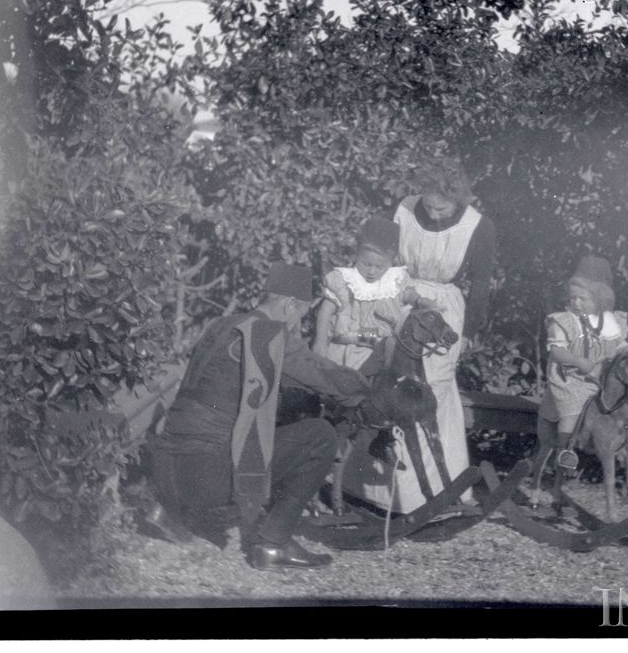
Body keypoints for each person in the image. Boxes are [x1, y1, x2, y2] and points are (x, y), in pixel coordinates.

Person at [143, 262, 371, 570]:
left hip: (165, 471)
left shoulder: (222, 325)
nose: (297, 324)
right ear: (290, 305)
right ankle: (273, 543)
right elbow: (329, 379)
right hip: (206, 479)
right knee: (320, 435)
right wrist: (369, 390)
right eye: (300, 314)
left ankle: (172, 513)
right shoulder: (269, 333)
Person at [344, 157, 497, 511]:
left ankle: (435, 491)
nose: (434, 213)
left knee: (431, 390)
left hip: (443, 310)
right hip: (400, 297)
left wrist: (469, 332)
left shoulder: (478, 226)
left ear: (458, 199)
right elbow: (379, 255)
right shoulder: (404, 210)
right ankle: (375, 489)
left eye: (442, 208)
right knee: (386, 382)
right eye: (429, 206)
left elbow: (481, 286)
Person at [537, 255, 628, 471]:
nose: (576, 303)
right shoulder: (564, 321)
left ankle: (619, 439)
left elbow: (619, 346)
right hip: (570, 377)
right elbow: (557, 351)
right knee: (573, 405)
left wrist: (625, 353)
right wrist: (577, 360)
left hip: (599, 378)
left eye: (583, 299)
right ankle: (565, 449)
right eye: (573, 298)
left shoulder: (609, 322)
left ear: (600, 300)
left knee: (619, 399)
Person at [312, 217, 412, 371]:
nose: (372, 271)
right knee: (331, 374)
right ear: (357, 255)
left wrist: (419, 299)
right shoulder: (345, 279)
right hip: (340, 345)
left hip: (372, 347)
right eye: (366, 264)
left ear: (391, 262)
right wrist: (320, 342)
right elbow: (326, 311)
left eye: (379, 267)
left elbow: (407, 296)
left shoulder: (391, 283)